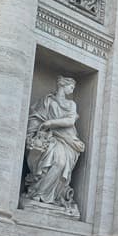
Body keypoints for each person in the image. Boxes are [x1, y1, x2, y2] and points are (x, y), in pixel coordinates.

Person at [24, 75, 85, 212]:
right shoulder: (47, 101)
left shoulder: (71, 104)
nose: (72, 89)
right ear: (63, 85)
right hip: (49, 137)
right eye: (71, 87)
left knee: (61, 164)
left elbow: (70, 121)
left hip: (67, 139)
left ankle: (51, 196)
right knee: (55, 162)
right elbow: (36, 117)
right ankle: (38, 193)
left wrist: (50, 123)